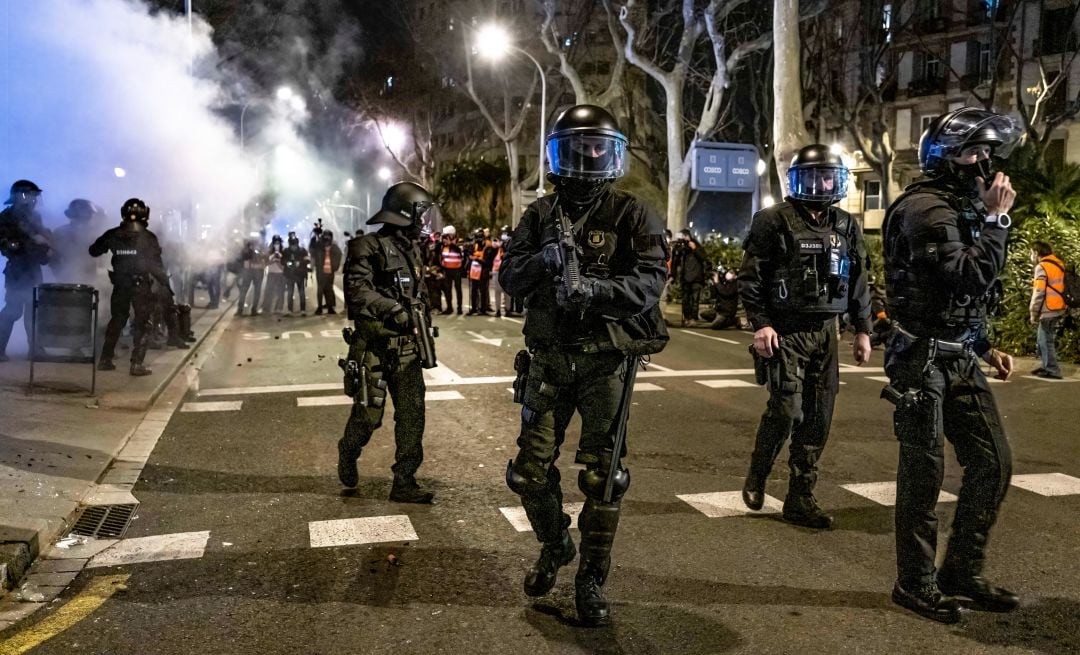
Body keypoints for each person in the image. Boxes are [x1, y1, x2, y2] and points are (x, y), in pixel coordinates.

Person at [500, 105, 669, 627]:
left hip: (606, 363)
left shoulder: (632, 213)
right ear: (562, 152)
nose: (591, 154)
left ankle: (592, 579)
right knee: (529, 474)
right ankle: (555, 546)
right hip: (550, 362)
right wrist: (542, 263)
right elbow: (509, 278)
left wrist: (594, 290)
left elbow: (649, 284)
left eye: (600, 146)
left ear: (613, 152)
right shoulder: (539, 215)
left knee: (604, 477)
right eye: (581, 145)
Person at [882, 106, 1021, 624]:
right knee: (924, 474)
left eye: (988, 151)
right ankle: (914, 584)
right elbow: (965, 276)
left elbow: (961, 301)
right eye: (972, 152)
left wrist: (983, 344)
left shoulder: (962, 205)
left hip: (960, 355)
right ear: (945, 158)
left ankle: (961, 571)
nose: (984, 161)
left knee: (993, 462)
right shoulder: (925, 209)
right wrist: (997, 220)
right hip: (921, 359)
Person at [738, 144, 873, 530]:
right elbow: (752, 276)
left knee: (818, 417)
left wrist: (863, 329)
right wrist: (760, 323)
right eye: (812, 176)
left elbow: (859, 280)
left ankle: (800, 497)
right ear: (798, 181)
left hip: (826, 334)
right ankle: (759, 470)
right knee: (786, 410)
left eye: (827, 176)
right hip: (785, 331)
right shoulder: (772, 220)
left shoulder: (846, 225)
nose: (821, 183)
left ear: (838, 180)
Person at [338, 181, 439, 503]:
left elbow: (417, 295)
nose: (423, 222)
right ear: (404, 213)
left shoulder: (413, 250)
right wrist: (394, 310)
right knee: (369, 416)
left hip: (407, 350)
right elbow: (358, 292)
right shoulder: (365, 246)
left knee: (412, 416)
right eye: (419, 214)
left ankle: (404, 480)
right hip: (374, 348)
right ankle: (348, 450)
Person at [89, 198, 172, 376]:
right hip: (140, 285)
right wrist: (165, 282)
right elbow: (156, 265)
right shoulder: (149, 237)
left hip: (120, 284)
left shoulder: (113, 234)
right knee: (143, 323)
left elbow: (94, 250)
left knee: (117, 320)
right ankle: (137, 364)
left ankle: (105, 359)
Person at [0, 180, 53, 361]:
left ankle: (36, 349)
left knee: (34, 310)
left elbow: (43, 245)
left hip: (32, 268)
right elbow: (6, 245)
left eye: (34, 196)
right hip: (18, 269)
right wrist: (31, 242)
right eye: (29, 195)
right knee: (13, 310)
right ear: (19, 196)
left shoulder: (34, 218)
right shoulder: (6, 217)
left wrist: (46, 248)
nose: (32, 199)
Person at [1029, 241, 1066, 379]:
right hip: (1059, 307)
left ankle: (1052, 369)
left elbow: (1039, 292)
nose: (1031, 256)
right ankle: (1046, 366)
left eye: (1031, 253)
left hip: (1049, 308)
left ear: (1037, 253)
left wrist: (1033, 313)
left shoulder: (1042, 266)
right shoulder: (1058, 263)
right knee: (1042, 339)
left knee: (1045, 340)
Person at [50, 198, 105, 283]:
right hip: (67, 280)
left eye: (90, 214)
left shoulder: (95, 234)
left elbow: (101, 262)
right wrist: (62, 276)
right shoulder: (60, 233)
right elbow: (54, 259)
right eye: (87, 214)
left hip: (91, 281)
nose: (89, 217)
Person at [671, 228, 708, 327]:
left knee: (695, 299)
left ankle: (693, 319)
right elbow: (675, 261)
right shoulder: (681, 248)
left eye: (684, 236)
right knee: (686, 299)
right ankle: (687, 318)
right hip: (685, 277)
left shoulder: (696, 245)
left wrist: (694, 248)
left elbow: (704, 258)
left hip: (696, 278)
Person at [311, 230, 342, 315]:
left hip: (330, 272)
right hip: (320, 272)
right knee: (320, 290)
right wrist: (314, 236)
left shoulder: (334, 247)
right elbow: (312, 250)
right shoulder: (319, 246)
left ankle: (330, 307)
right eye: (325, 236)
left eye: (328, 236)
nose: (327, 238)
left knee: (329, 289)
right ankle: (320, 308)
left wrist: (335, 267)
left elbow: (339, 256)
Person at [700, 264, 739, 330]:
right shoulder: (724, 282)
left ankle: (733, 320)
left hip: (727, 312)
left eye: (731, 273)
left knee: (714, 326)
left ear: (735, 276)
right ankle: (721, 320)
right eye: (729, 272)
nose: (728, 274)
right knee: (703, 314)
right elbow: (714, 295)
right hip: (718, 310)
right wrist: (713, 284)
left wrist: (717, 282)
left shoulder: (736, 284)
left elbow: (725, 293)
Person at [437, 225, 464, 315]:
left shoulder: (459, 242)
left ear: (452, 234)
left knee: (458, 289)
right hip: (447, 270)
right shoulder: (443, 244)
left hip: (457, 270)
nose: (446, 237)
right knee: (447, 289)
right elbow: (440, 255)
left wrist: (451, 243)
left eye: (447, 235)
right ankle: (449, 308)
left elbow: (460, 252)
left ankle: (459, 308)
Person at [282, 232, 310, 316]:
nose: (293, 247)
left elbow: (307, 259)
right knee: (290, 293)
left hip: (300, 274)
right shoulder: (286, 251)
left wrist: (300, 263)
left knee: (301, 292)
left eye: (294, 245)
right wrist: (287, 263)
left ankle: (303, 310)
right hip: (289, 274)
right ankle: (290, 310)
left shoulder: (302, 251)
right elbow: (282, 260)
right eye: (292, 245)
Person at [236, 238, 265, 316]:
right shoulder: (247, 251)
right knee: (247, 290)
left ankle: (249, 309)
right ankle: (244, 309)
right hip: (251, 271)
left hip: (254, 271)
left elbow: (264, 259)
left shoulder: (257, 251)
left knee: (251, 291)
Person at [262, 235, 286, 314]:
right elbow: (266, 262)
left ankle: (279, 308)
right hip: (271, 272)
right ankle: (266, 308)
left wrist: (279, 257)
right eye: (275, 242)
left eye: (278, 242)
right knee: (269, 291)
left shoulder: (283, 251)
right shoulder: (269, 251)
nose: (276, 244)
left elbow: (284, 262)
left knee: (280, 291)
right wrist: (273, 258)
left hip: (281, 273)